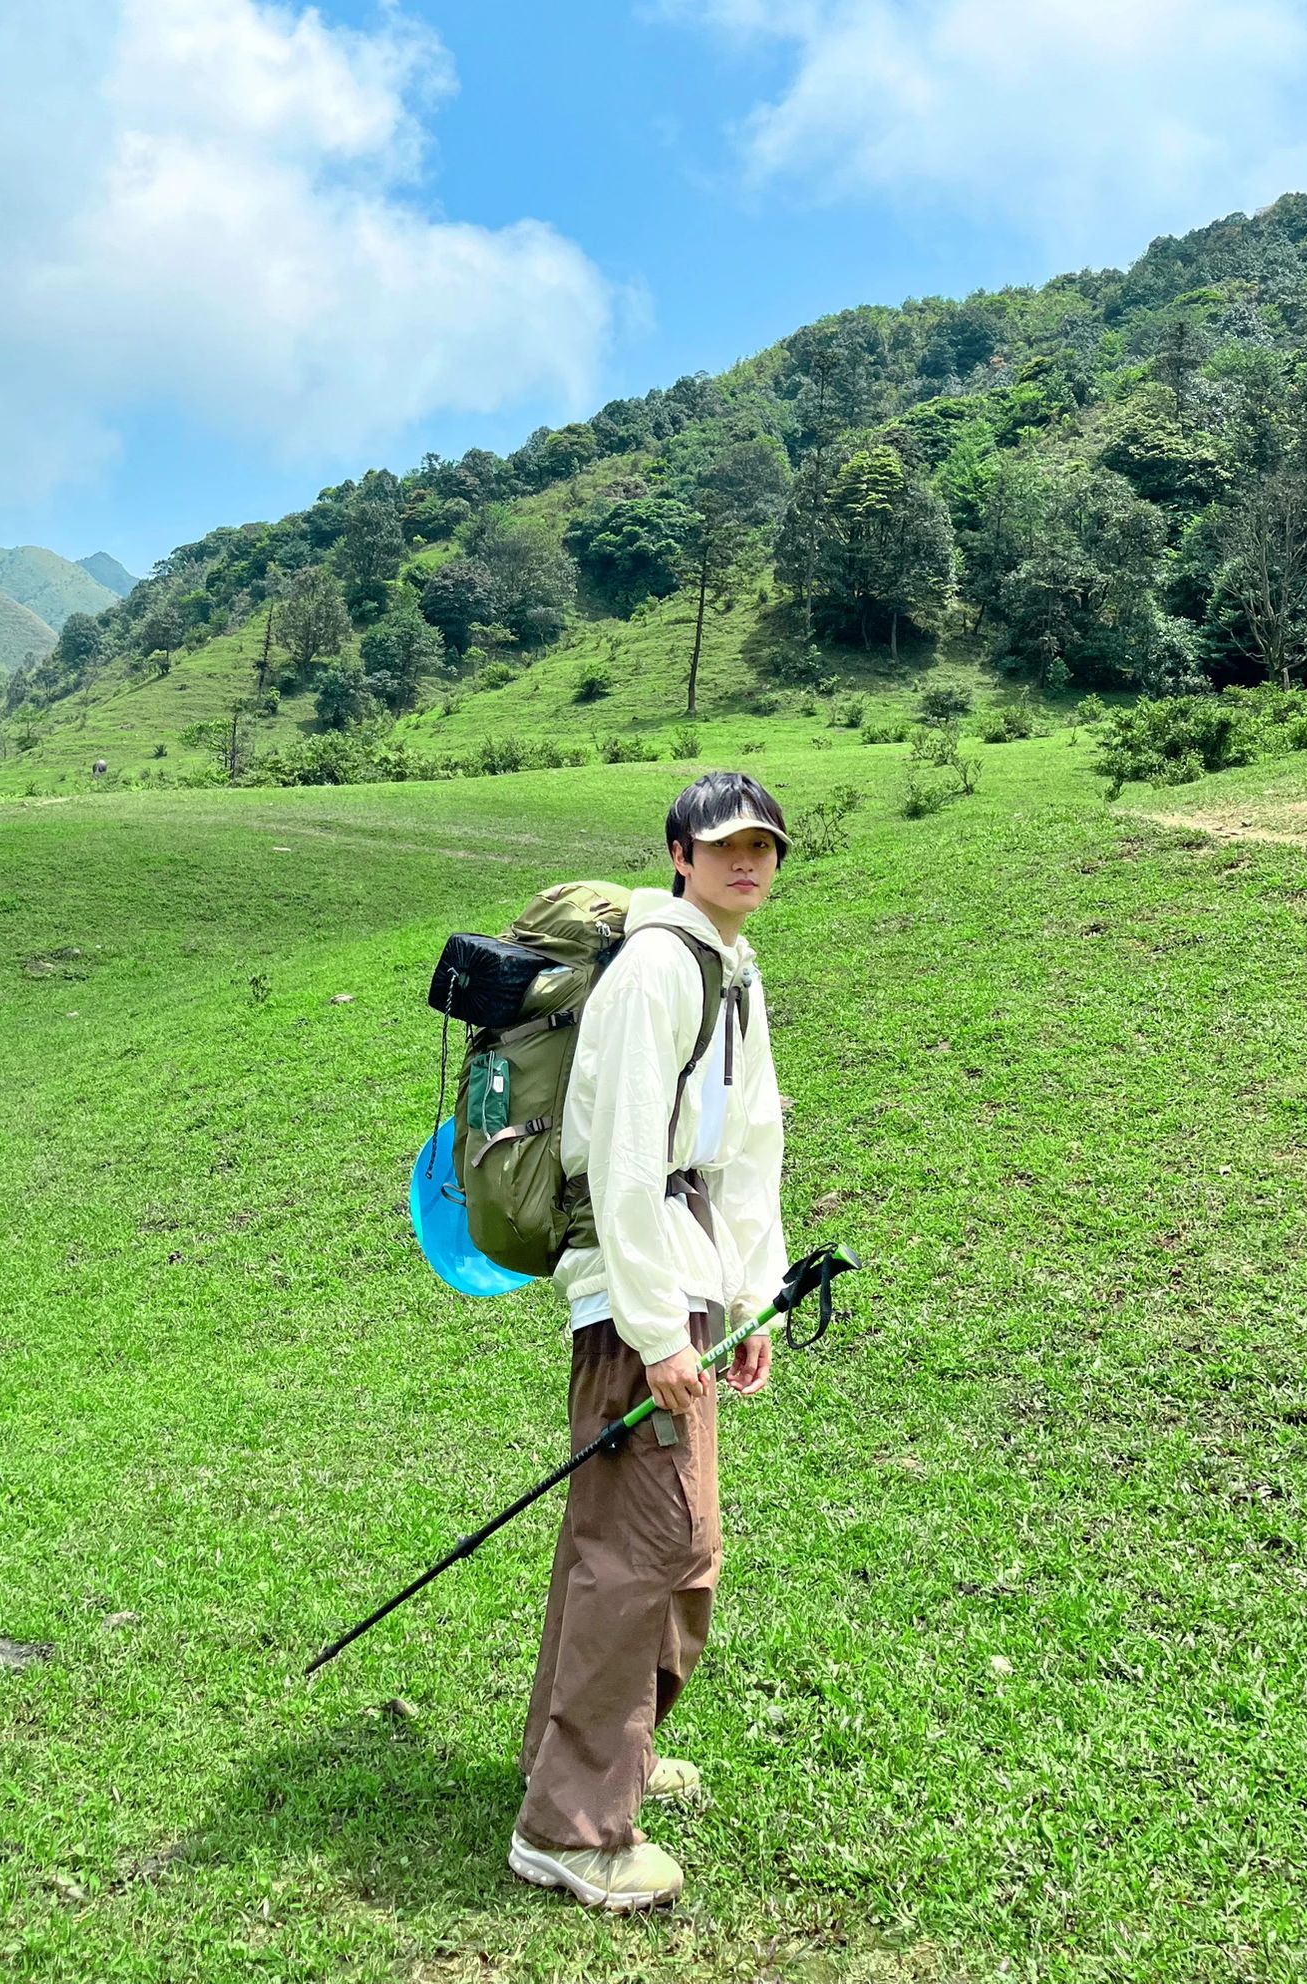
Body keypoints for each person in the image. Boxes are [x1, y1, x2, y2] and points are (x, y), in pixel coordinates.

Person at [510, 769, 791, 1913]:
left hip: (687, 1288)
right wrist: (654, 1327)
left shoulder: (731, 969)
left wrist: (751, 1297)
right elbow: (624, 1158)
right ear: (678, 850)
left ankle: (586, 1755)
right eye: (724, 842)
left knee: (667, 1549)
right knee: (647, 1552)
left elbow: (751, 1141)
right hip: (640, 1299)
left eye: (766, 846)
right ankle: (569, 1830)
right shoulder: (657, 970)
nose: (747, 861)